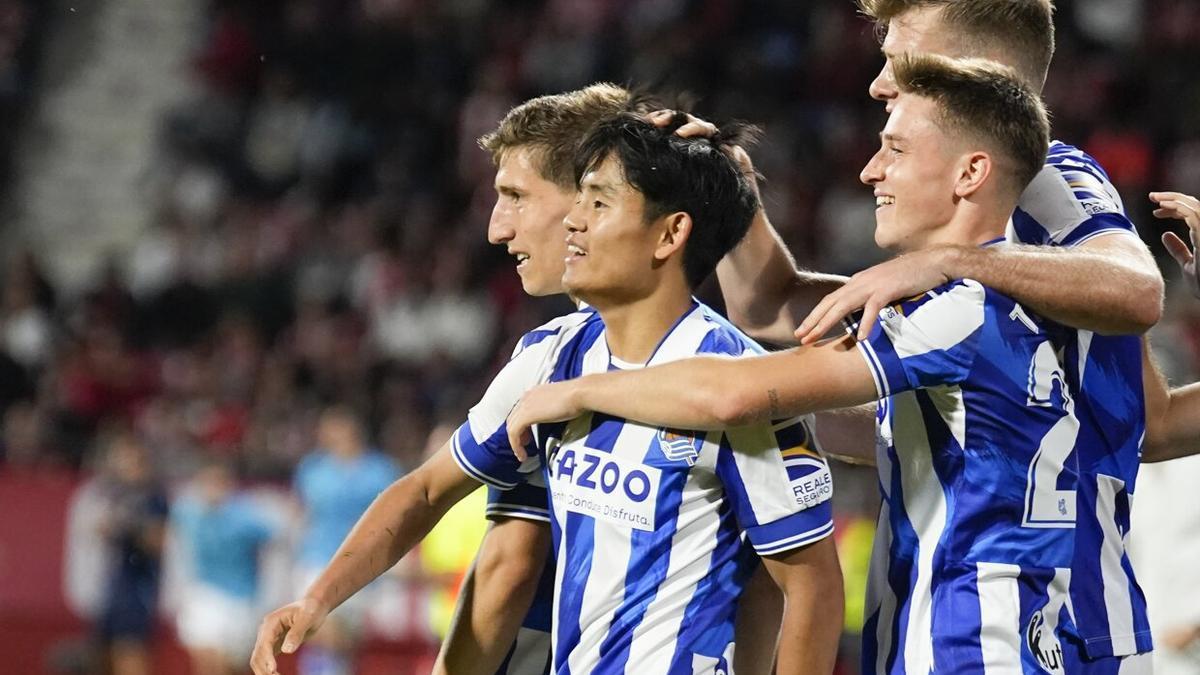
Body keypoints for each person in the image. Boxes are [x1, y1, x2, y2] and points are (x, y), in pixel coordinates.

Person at [507, 54, 1133, 673]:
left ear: (970, 173)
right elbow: (836, 413)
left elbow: (736, 396)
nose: (870, 171)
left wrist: (578, 392)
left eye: (895, 150)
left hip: (975, 648)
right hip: (1005, 638)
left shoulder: (961, 307)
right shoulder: (997, 306)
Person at [252, 112, 844, 675]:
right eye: (578, 199)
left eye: (599, 203)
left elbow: (809, 580)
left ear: (669, 234)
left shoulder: (742, 384)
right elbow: (427, 489)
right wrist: (317, 601)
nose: (573, 221)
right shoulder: (553, 355)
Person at [701, 0, 1161, 668]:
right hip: (942, 612)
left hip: (1052, 620)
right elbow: (769, 304)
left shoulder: (1047, 180)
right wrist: (726, 188)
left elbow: (1139, 291)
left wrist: (951, 261)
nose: (879, 81)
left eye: (901, 58)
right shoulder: (970, 273)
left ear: (978, 65)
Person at [291, 405, 400, 675]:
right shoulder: (312, 469)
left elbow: (394, 516)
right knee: (317, 626)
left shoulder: (380, 470)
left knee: (347, 639)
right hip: (317, 559)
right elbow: (302, 512)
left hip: (360, 564)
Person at [171, 459, 279, 675]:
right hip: (203, 593)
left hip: (239, 599)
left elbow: (273, 536)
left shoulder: (245, 514)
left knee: (233, 666)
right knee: (206, 659)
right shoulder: (188, 512)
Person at [94, 432, 169, 675]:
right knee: (104, 654)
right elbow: (100, 529)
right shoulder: (114, 495)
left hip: (138, 588)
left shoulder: (154, 499)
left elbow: (159, 541)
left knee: (131, 652)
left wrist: (131, 529)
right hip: (114, 586)